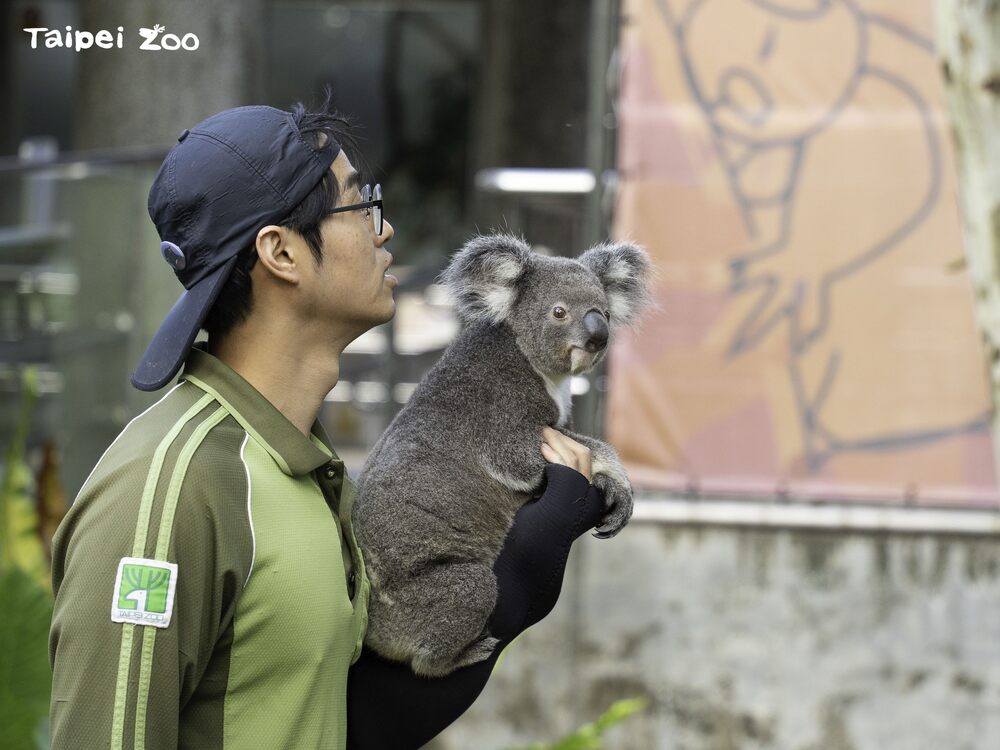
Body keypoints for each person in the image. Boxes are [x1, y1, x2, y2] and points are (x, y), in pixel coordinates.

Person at [48, 93, 605, 750]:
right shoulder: (168, 492)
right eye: (359, 203)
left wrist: (517, 580)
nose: (384, 229)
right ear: (281, 253)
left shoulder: (307, 468)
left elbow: (341, 722)